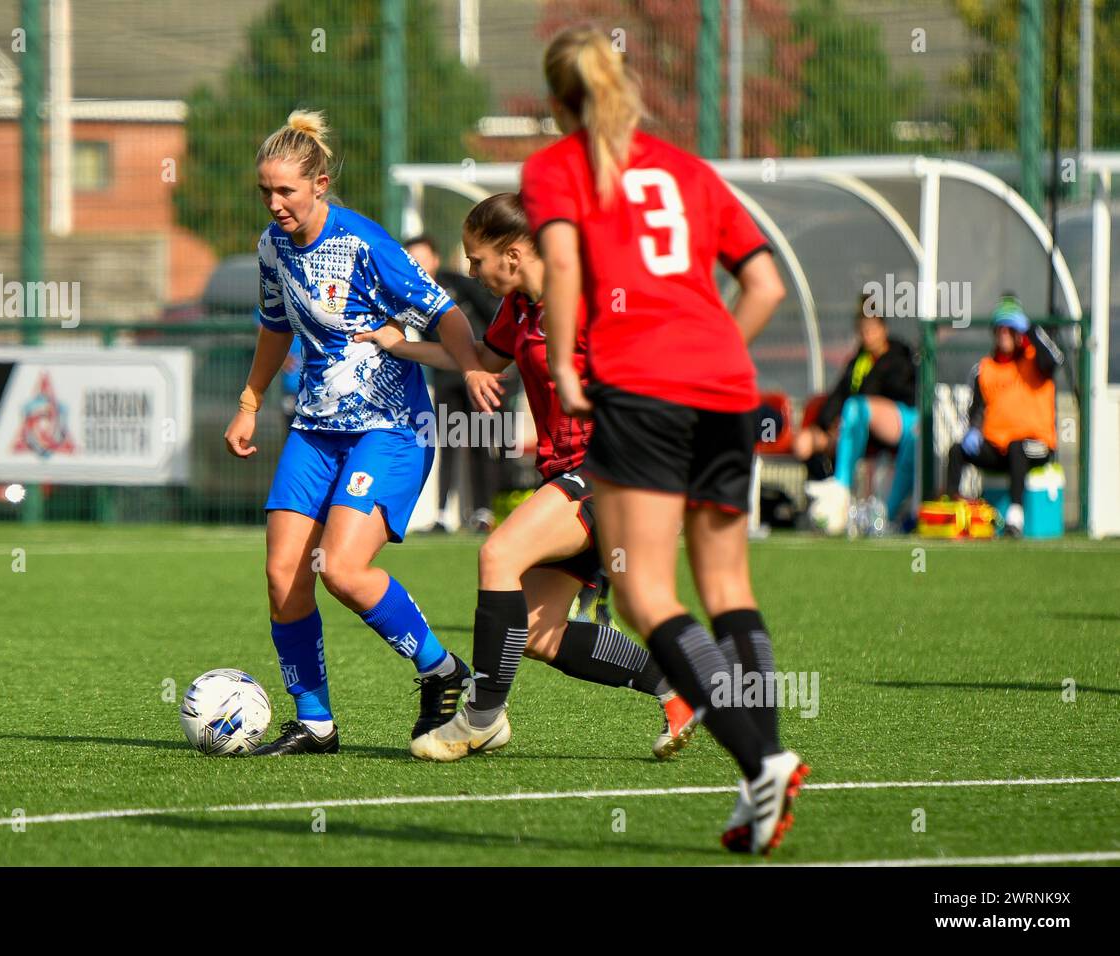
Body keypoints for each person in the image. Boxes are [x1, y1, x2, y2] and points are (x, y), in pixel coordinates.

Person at [528, 26, 806, 855]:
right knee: (725, 582)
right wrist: (714, 352)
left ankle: (762, 760)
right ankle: (760, 778)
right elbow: (765, 284)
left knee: (646, 591)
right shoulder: (687, 169)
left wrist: (571, 370)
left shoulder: (556, 168)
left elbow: (567, 269)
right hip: (726, 385)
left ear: (556, 102)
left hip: (641, 386)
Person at [357, 193, 700, 762]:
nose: (469, 271)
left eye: (476, 259)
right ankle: (677, 685)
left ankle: (483, 715)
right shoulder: (518, 309)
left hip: (612, 474)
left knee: (499, 555)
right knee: (541, 635)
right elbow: (482, 361)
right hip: (570, 478)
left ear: (513, 256)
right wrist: (401, 346)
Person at [223, 110, 503, 755]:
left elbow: (445, 311)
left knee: (344, 571)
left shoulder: (364, 242)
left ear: (320, 183)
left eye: (286, 191)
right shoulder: (272, 246)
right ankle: (316, 722)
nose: (274, 203)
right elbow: (275, 325)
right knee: (282, 574)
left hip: (390, 428)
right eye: (265, 191)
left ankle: (443, 671)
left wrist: (471, 369)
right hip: (315, 430)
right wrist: (250, 399)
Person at [403, 234, 503, 532]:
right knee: (448, 441)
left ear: (435, 259)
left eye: (422, 258)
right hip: (448, 375)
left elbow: (493, 315)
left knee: (483, 441)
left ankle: (483, 513)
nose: (417, 265)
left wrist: (495, 359)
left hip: (485, 373)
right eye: (411, 260)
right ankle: (444, 515)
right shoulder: (410, 293)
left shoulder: (460, 284)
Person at [943, 295, 1062, 537]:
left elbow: (1054, 360)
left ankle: (1015, 518)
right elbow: (976, 410)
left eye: (1010, 330)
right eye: (1001, 330)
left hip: (1036, 445)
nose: (1005, 336)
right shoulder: (985, 368)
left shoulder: (1035, 362)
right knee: (957, 450)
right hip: (999, 447)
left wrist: (1030, 329)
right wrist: (974, 431)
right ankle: (952, 509)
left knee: (1017, 446)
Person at [801, 295, 917, 533]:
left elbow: (894, 390)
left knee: (856, 408)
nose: (868, 336)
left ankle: (843, 488)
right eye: (863, 331)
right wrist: (825, 425)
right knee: (803, 442)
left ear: (883, 329)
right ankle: (821, 501)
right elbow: (838, 394)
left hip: (899, 420)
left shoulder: (898, 356)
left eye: (872, 330)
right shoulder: (858, 361)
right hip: (861, 429)